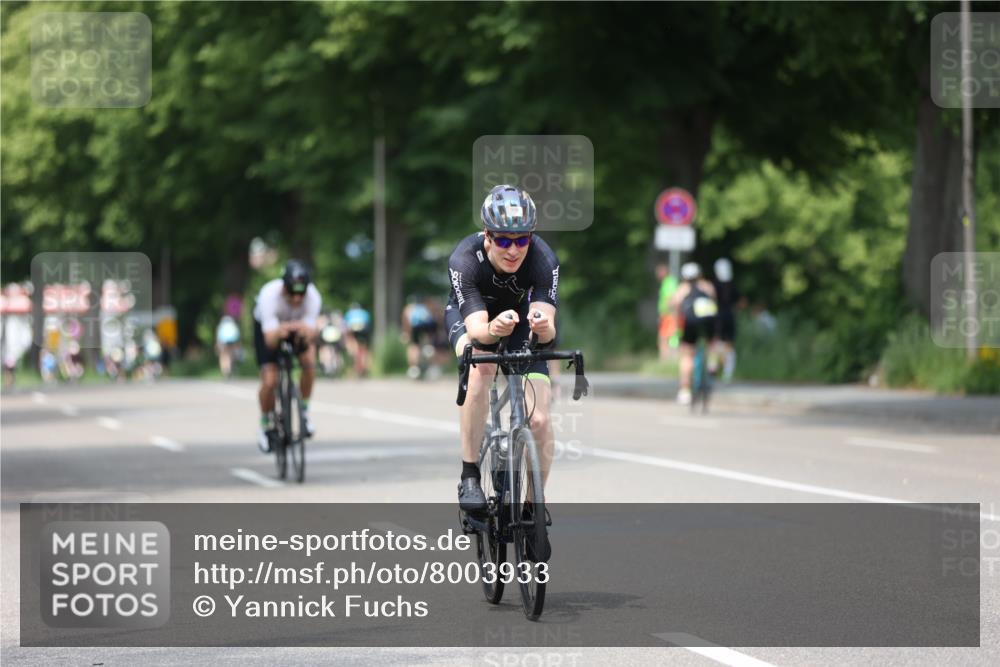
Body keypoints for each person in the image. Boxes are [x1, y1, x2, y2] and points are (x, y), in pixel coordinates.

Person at [446, 184, 558, 560]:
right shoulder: (465, 259)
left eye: (522, 239)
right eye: (504, 240)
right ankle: (469, 474)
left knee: (539, 420)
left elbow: (550, 325)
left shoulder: (543, 258)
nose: (513, 249)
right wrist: (492, 331)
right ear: (487, 235)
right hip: (474, 320)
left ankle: (532, 507)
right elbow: (479, 328)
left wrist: (542, 326)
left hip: (521, 324)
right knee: (480, 370)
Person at [252, 259, 321, 453]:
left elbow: (311, 333)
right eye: (292, 293)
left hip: (295, 328)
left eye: (301, 293)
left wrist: (301, 330)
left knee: (309, 363)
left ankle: (304, 412)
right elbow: (270, 340)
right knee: (270, 379)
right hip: (269, 330)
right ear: (284, 287)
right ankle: (265, 425)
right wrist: (281, 330)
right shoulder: (269, 296)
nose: (297, 298)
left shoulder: (313, 297)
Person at [670, 262, 718, 406]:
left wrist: (677, 325)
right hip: (708, 319)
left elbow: (674, 306)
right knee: (712, 342)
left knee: (687, 355)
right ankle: (712, 364)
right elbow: (715, 302)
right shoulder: (707, 286)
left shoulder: (683, 288)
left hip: (690, 321)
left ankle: (685, 392)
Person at [712, 258, 740, 383]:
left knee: (717, 343)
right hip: (730, 316)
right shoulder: (733, 284)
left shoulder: (714, 285)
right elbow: (739, 301)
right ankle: (727, 371)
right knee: (729, 344)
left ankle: (714, 367)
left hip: (718, 317)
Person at [401, 295, 437, 379]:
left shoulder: (409, 308)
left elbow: (406, 322)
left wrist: (406, 333)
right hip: (427, 328)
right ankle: (428, 354)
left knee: (414, 347)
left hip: (415, 328)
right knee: (427, 344)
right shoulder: (426, 307)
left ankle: (413, 368)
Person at [655, 263, 680, 361]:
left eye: (659, 272)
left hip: (669, 315)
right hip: (667, 314)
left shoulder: (669, 282)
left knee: (666, 337)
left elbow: (671, 299)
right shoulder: (667, 282)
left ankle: (667, 359)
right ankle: (667, 359)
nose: (657, 274)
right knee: (667, 337)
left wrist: (673, 314)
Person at [343, 302, 372, 377]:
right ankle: (365, 366)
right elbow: (368, 324)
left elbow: (346, 327)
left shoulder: (349, 313)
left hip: (354, 332)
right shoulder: (364, 313)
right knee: (364, 350)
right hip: (364, 332)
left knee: (354, 350)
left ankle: (356, 366)